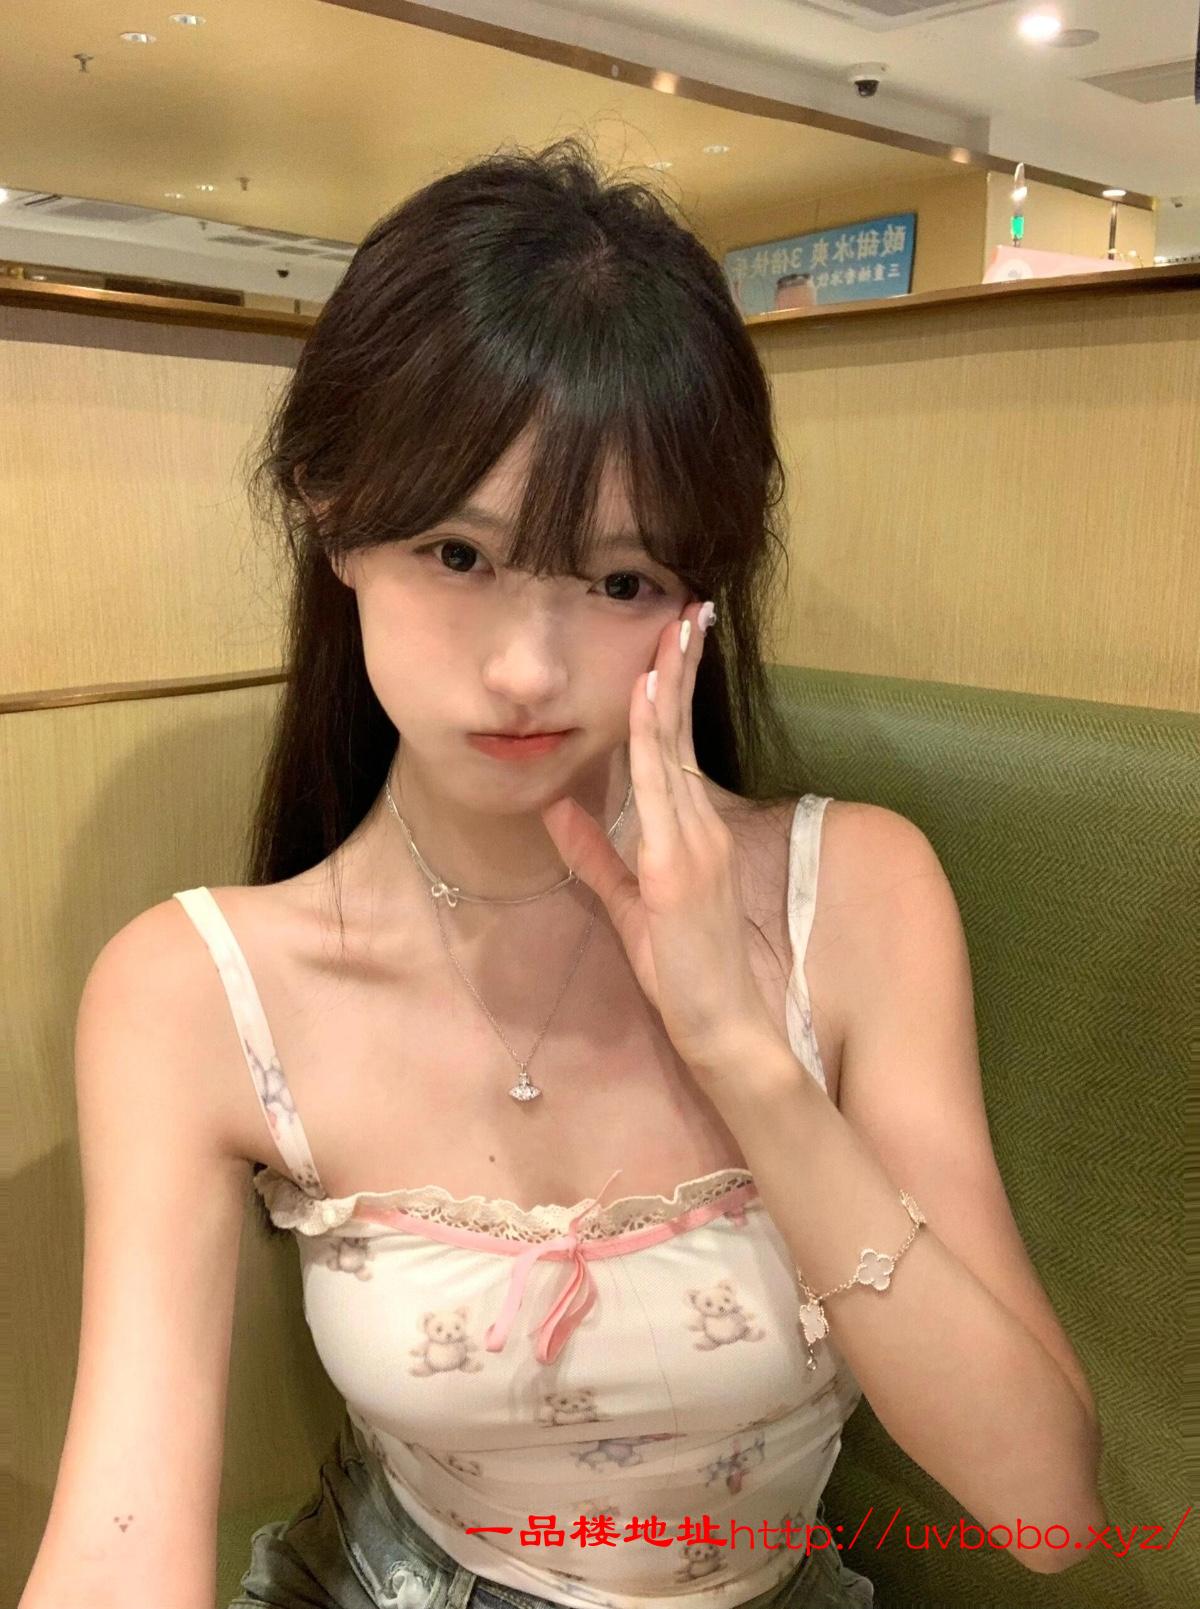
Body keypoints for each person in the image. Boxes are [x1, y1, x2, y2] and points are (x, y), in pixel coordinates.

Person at [24, 136, 1102, 1609]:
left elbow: (1046, 1510)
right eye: (458, 555)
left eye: (618, 581)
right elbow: (121, 1536)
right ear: (333, 514)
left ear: (701, 595)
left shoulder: (857, 897)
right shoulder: (194, 992)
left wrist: (744, 1054)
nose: (527, 670)